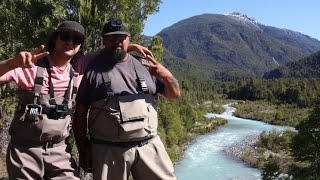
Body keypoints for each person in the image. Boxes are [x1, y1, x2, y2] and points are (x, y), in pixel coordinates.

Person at [0, 20, 151, 179]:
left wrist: (131, 46)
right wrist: (11, 63)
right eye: (65, 36)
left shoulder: (80, 66)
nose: (70, 42)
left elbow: (109, 49)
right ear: (55, 38)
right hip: (25, 149)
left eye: (76, 40)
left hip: (59, 150)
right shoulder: (30, 66)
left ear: (80, 46)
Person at [73, 19, 180, 180]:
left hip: (150, 146)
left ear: (129, 38)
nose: (116, 41)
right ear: (103, 40)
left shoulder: (146, 66)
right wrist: (83, 151)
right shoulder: (92, 71)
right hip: (107, 151)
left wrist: (168, 76)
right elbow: (79, 116)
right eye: (111, 38)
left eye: (121, 37)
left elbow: (174, 94)